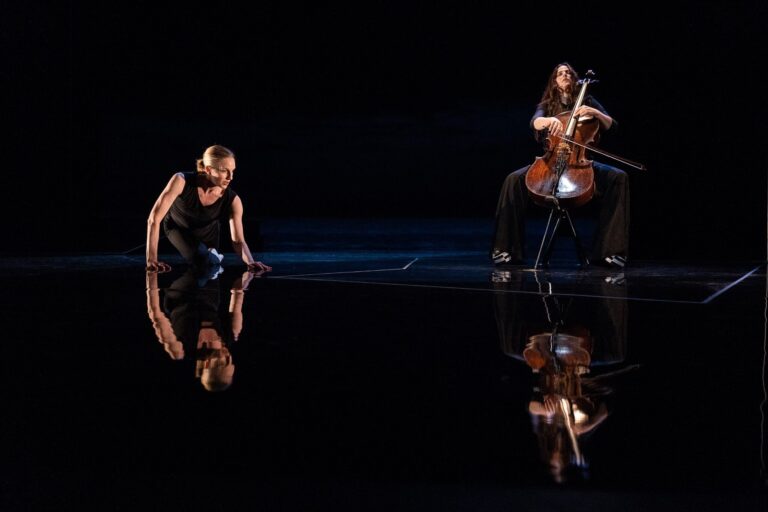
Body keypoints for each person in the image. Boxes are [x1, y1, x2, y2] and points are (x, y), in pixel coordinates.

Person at [491, 62, 629, 268]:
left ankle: (610, 252)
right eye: (560, 73)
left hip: (579, 162)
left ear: (574, 79)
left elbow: (612, 125)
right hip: (550, 161)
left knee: (619, 177)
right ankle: (505, 250)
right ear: (554, 82)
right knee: (513, 180)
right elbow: (535, 122)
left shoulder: (588, 100)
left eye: (568, 73)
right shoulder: (547, 105)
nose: (565, 75)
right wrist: (547, 121)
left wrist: (596, 113)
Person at [146, 144, 272, 275]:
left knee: (207, 267)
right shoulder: (181, 180)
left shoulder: (233, 200)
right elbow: (153, 219)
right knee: (201, 259)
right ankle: (211, 257)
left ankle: (213, 256)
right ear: (208, 169)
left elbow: (238, 240)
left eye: (232, 170)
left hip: (208, 235)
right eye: (224, 171)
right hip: (177, 228)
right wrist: (151, 260)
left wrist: (250, 261)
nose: (230, 177)